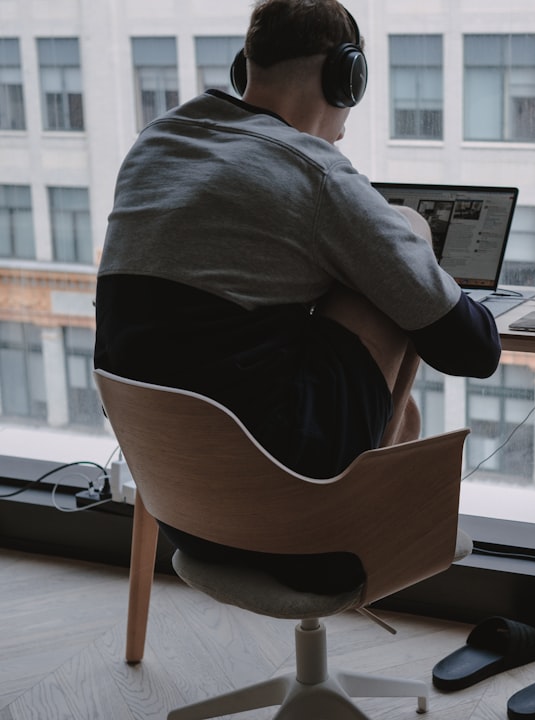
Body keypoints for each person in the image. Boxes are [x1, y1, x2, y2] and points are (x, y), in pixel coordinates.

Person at [94, 0, 501, 592]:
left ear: (245, 69)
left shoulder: (155, 144)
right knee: (403, 232)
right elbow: (472, 351)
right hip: (301, 528)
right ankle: (365, 502)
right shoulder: (317, 173)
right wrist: (406, 248)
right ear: (347, 75)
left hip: (183, 513)